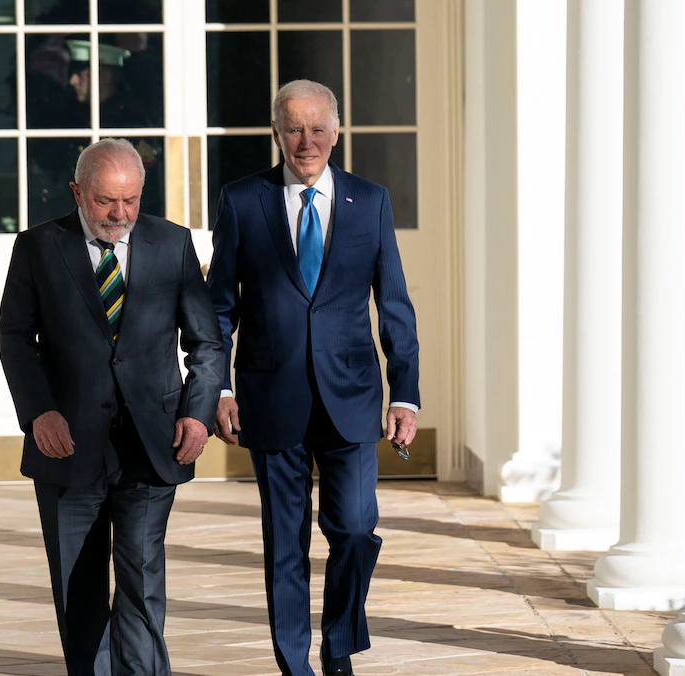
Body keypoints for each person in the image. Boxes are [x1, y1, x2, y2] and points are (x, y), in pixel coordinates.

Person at [205, 80, 420, 676]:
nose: (307, 142)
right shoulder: (242, 201)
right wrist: (218, 388)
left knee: (355, 528)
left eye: (318, 128)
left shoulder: (370, 201)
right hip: (270, 397)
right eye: (295, 129)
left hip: (351, 397)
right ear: (277, 133)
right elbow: (218, 308)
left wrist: (405, 394)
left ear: (336, 132)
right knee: (285, 544)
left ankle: (339, 642)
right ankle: (294, 667)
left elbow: (394, 304)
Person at [0, 138, 224, 676]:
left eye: (131, 200)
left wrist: (197, 412)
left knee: (142, 583)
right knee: (79, 592)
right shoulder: (38, 247)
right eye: (105, 201)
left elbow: (207, 343)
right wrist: (39, 412)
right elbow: (14, 338)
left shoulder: (172, 243)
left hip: (152, 444)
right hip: (68, 444)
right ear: (77, 192)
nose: (120, 214)